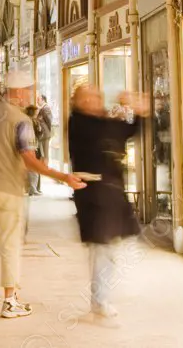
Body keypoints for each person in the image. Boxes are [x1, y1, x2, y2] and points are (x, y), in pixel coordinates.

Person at [0, 69, 85, 318]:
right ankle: (10, 301)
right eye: (30, 88)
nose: (32, 93)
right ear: (19, 91)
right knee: (9, 244)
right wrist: (63, 177)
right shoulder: (21, 120)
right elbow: (29, 159)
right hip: (7, 191)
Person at [67, 85, 146, 318]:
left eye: (98, 96)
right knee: (102, 247)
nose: (96, 101)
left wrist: (135, 112)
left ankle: (100, 298)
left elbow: (125, 131)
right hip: (96, 196)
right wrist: (129, 108)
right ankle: (100, 299)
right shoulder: (81, 123)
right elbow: (113, 132)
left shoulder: (94, 121)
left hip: (106, 194)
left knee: (105, 247)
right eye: (90, 98)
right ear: (80, 102)